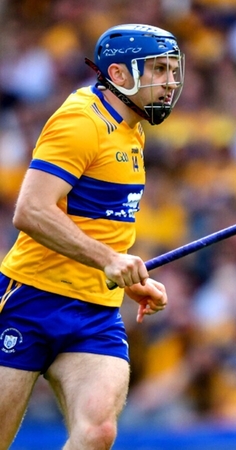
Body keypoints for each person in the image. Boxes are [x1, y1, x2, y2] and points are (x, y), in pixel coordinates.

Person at [0, 24, 184, 449]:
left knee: (98, 431)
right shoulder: (82, 121)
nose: (170, 82)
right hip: (31, 299)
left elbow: (100, 222)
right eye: (158, 69)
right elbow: (30, 210)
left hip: (95, 312)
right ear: (118, 75)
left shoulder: (132, 127)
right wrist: (107, 259)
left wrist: (129, 278)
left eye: (173, 70)